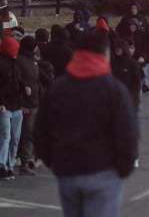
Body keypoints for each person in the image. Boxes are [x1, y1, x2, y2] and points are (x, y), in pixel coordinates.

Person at [34, 30, 139, 217]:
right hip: (103, 170)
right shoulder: (114, 90)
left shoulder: (58, 88)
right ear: (105, 54)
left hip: (67, 169)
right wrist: (124, 167)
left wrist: (52, 160)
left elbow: (41, 129)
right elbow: (127, 133)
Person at [16, 36, 41, 176]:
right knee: (25, 133)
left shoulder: (32, 60)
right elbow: (18, 80)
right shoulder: (23, 61)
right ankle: (23, 161)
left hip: (33, 101)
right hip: (26, 103)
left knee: (27, 133)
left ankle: (25, 160)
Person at [0, 37, 24, 180]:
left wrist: (24, 88)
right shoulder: (5, 64)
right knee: (7, 137)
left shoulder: (16, 63)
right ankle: (3, 165)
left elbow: (18, 81)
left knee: (13, 137)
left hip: (16, 105)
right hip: (6, 106)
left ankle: (9, 164)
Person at [111, 39, 143, 110]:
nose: (117, 50)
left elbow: (137, 81)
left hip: (129, 93)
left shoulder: (132, 63)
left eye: (119, 48)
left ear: (123, 48)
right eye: (116, 48)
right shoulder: (112, 62)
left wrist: (136, 97)